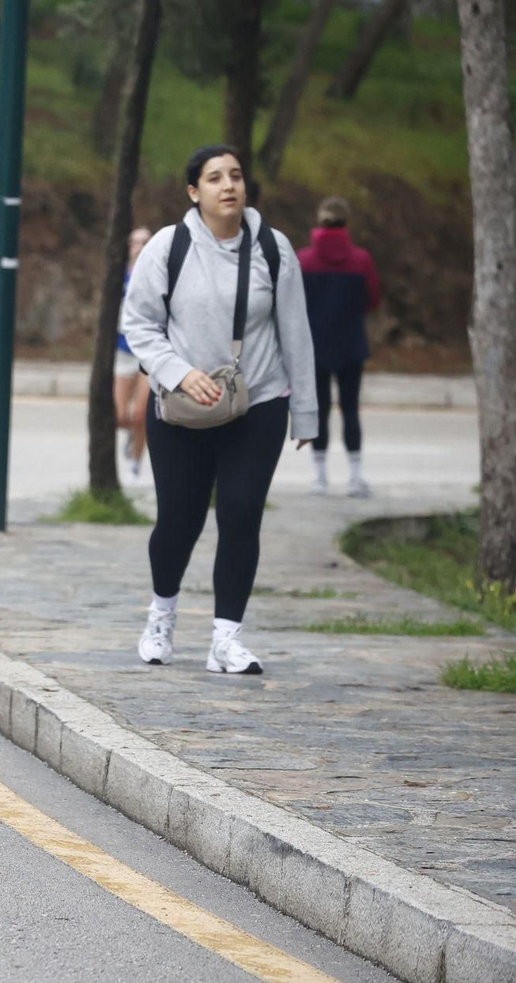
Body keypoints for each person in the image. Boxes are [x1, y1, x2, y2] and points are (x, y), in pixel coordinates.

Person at [121, 144, 317, 676]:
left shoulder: (273, 249)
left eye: (235, 175)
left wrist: (306, 412)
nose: (228, 185)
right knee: (179, 520)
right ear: (194, 192)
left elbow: (295, 332)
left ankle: (226, 639)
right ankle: (161, 615)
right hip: (182, 406)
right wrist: (179, 371)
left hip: (259, 402)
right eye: (214, 178)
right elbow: (137, 323)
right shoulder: (168, 246)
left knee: (240, 513)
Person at [298, 195, 380, 498]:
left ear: (319, 221)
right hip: (351, 344)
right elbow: (372, 298)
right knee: (350, 409)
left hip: (314, 347)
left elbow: (293, 303)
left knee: (319, 411)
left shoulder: (303, 260)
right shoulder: (362, 260)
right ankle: (355, 478)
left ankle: (319, 477)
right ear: (347, 222)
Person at [113, 226, 153, 482]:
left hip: (148, 352)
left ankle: (136, 464)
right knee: (120, 416)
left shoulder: (157, 275)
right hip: (123, 348)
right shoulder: (119, 276)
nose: (139, 247)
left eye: (145, 242)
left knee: (141, 415)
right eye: (134, 242)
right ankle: (129, 437)